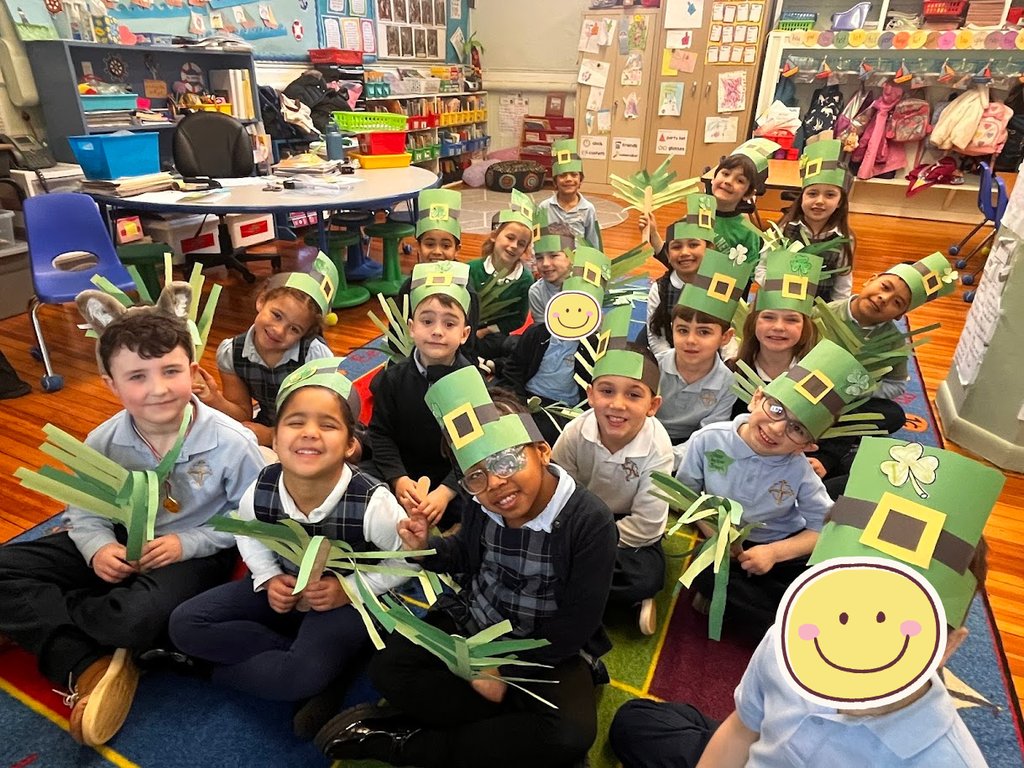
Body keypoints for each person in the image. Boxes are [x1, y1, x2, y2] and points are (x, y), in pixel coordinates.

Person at [610, 437, 1003, 768]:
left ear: (948, 645)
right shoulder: (789, 641)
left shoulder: (945, 759)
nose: (854, 643)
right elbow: (742, 729)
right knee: (635, 722)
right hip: (761, 750)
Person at [317, 367, 619, 768]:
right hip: (472, 624)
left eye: (508, 459)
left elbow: (577, 623)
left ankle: (405, 743)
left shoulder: (588, 519)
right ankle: (508, 733)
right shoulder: (481, 504)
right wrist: (426, 546)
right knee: (389, 668)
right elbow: (461, 555)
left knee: (571, 735)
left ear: (543, 451)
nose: (495, 483)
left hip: (545, 647)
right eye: (475, 475)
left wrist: (502, 668)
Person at [0, 289, 263, 746]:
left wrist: (189, 544)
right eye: (137, 376)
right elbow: (83, 509)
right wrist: (97, 546)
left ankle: (51, 626)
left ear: (193, 372)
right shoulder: (103, 439)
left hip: (190, 551)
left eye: (171, 371)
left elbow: (253, 518)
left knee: (135, 618)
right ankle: (87, 659)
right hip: (120, 536)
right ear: (111, 386)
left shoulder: (231, 441)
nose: (158, 388)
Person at [168, 359, 411, 717]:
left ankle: (215, 670)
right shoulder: (263, 484)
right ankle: (307, 660)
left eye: (327, 425)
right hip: (285, 583)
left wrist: (350, 590)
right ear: (276, 438)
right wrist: (267, 576)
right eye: (295, 422)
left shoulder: (373, 502)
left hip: (346, 599)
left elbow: (408, 560)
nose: (309, 432)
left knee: (295, 676)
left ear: (349, 445)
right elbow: (248, 533)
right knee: (184, 624)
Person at [676, 339, 879, 639]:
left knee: (825, 579)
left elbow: (821, 529)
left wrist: (774, 552)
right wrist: (716, 533)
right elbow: (685, 495)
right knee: (706, 578)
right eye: (776, 409)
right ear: (757, 398)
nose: (776, 428)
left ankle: (794, 619)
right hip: (726, 545)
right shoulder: (708, 439)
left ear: (808, 446)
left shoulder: (798, 469)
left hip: (781, 542)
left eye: (797, 429)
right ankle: (787, 624)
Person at [552, 305, 672, 636]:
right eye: (607, 391)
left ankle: (614, 595)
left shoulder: (657, 447)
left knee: (646, 576)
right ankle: (608, 600)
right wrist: (571, 537)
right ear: (590, 395)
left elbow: (648, 526)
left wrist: (590, 546)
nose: (617, 405)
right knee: (546, 551)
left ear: (652, 406)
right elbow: (557, 489)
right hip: (579, 520)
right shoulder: (577, 431)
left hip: (626, 531)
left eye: (634, 395)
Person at [815, 251, 958, 493]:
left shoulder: (895, 342)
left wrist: (862, 391)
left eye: (897, 302)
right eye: (885, 286)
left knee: (892, 415)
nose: (884, 298)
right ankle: (834, 455)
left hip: (851, 403)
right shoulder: (825, 313)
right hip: (808, 389)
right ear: (870, 279)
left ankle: (829, 455)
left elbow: (897, 384)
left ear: (901, 315)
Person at [365, 260, 473, 528]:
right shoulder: (392, 379)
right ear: (412, 328)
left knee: (482, 507)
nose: (437, 331)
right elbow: (380, 434)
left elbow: (472, 449)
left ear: (464, 334)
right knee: (363, 491)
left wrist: (445, 492)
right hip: (403, 471)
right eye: (427, 321)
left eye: (449, 324)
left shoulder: (470, 383)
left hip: (452, 479)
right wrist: (398, 478)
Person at [197, 253, 337, 447]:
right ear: (261, 301)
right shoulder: (232, 352)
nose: (279, 331)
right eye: (277, 315)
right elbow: (241, 413)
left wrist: (274, 435)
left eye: (294, 329)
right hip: (268, 424)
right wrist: (213, 398)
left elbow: (326, 414)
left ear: (304, 334)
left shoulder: (314, 354)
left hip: (311, 429)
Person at [497, 245, 605, 445]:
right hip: (529, 397)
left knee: (550, 439)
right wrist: (518, 401)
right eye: (567, 306)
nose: (573, 315)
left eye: (581, 309)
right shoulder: (538, 333)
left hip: (567, 408)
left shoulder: (594, 344)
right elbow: (514, 369)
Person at [656, 246, 751, 466]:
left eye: (704, 332)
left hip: (690, 450)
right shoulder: (655, 366)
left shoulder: (728, 383)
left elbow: (708, 434)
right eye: (682, 330)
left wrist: (666, 460)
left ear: (725, 337)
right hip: (648, 440)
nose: (690, 340)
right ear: (672, 330)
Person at [644, 139, 779, 267]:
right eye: (725, 174)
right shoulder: (694, 216)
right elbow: (671, 261)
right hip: (685, 288)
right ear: (713, 180)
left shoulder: (748, 232)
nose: (728, 181)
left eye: (740, 180)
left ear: (748, 194)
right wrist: (653, 234)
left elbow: (746, 277)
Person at [761, 137, 855, 303]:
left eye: (830, 195)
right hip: (780, 303)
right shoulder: (783, 229)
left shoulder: (844, 240)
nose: (819, 201)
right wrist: (773, 289)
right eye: (812, 193)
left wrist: (832, 315)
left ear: (840, 201)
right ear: (802, 196)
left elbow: (843, 285)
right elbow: (762, 268)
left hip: (817, 311)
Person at [392, 189, 481, 357]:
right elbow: (396, 331)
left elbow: (470, 340)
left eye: (446, 246)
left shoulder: (466, 287)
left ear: (457, 249)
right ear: (418, 246)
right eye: (430, 244)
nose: (437, 251)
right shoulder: (409, 286)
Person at [467, 189, 535, 364]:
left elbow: (519, 318)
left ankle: (484, 362)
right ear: (494, 237)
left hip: (494, 334)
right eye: (510, 238)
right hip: (465, 330)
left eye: (521, 244)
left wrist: (486, 331)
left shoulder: (524, 279)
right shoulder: (471, 269)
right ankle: (479, 361)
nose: (514, 246)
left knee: (511, 345)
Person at [645, 193, 716, 359]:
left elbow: (728, 335)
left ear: (709, 250)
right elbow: (656, 337)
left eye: (693, 244)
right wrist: (674, 364)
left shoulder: (719, 286)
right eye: (676, 247)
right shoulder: (660, 289)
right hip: (670, 358)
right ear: (668, 255)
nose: (685, 252)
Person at [536, 138, 602, 249]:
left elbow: (593, 242)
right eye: (562, 175)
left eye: (574, 175)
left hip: (577, 261)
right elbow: (538, 240)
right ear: (555, 181)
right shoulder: (544, 207)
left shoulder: (588, 209)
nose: (568, 179)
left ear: (580, 179)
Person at [527, 210, 577, 323]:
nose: (545, 263)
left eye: (553, 255)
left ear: (571, 256)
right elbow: (542, 331)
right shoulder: (536, 292)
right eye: (539, 258)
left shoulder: (586, 285)